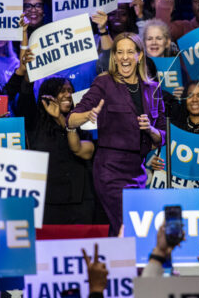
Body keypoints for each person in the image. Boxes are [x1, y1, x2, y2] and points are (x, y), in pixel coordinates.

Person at [67, 33, 166, 235]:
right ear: (114, 56)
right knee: (129, 224)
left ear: (139, 55)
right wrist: (88, 115)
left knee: (124, 227)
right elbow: (71, 119)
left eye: (130, 52)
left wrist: (151, 129)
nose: (124, 57)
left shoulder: (153, 88)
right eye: (120, 52)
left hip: (138, 172)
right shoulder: (104, 83)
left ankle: (115, 255)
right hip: (110, 170)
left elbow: (163, 135)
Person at [20, 76, 96, 224]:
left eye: (70, 90)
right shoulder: (35, 123)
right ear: (49, 95)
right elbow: (25, 96)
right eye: (61, 91)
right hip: (47, 202)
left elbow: (84, 151)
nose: (68, 95)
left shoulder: (82, 123)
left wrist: (60, 118)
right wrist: (27, 76)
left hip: (79, 201)